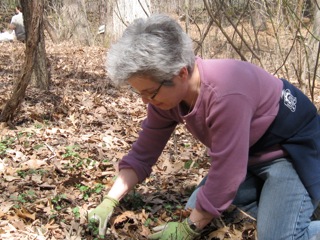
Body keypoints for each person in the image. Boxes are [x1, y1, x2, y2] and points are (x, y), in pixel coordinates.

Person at [88, 14, 320, 240]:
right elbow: (143, 152)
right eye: (140, 93)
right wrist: (109, 200)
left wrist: (188, 229)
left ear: (181, 73)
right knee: (197, 212)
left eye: (150, 92)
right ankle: (274, 204)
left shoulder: (227, 93)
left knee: (277, 236)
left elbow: (228, 172)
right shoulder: (167, 96)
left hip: (291, 153)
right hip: (248, 156)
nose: (145, 101)